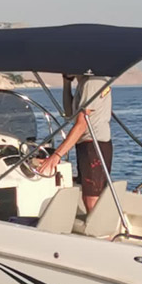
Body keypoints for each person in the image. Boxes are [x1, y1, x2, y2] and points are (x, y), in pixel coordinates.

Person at [39, 74, 113, 211]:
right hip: (85, 144)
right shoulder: (83, 83)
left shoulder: (92, 82)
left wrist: (56, 156)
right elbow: (69, 114)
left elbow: (81, 124)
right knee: (87, 194)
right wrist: (66, 82)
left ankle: (100, 225)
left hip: (94, 145)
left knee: (91, 199)